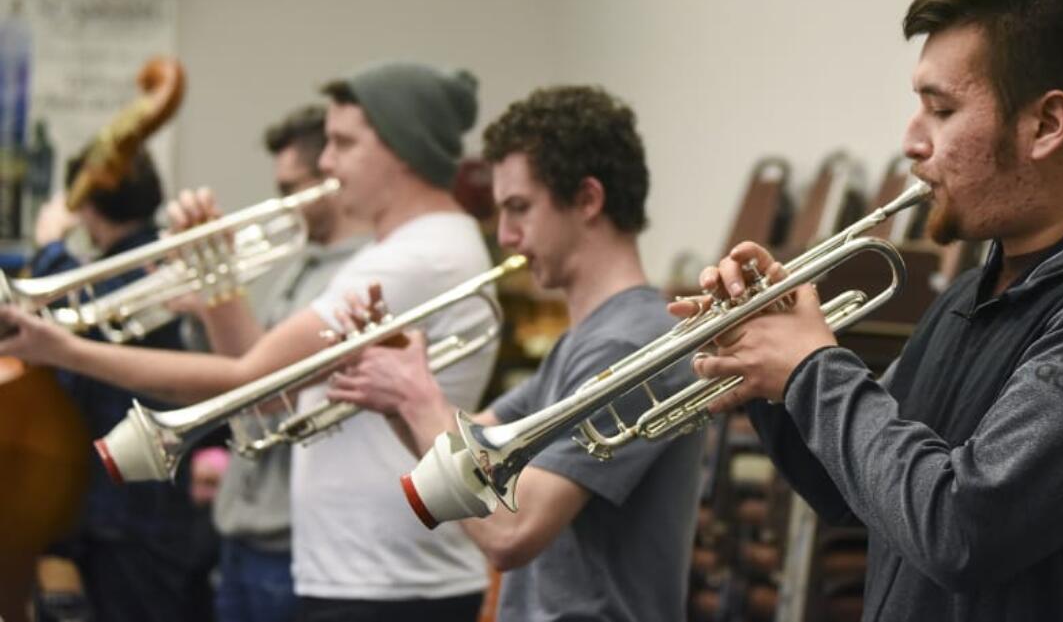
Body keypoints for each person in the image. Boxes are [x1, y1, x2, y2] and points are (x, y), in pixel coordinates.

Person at [680, 0, 1063, 621]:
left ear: (1047, 123)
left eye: (941, 110)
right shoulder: (976, 294)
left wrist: (812, 368)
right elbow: (861, 489)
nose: (912, 141)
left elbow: (962, 527)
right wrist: (766, 365)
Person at [0, 62, 499, 622]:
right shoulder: (397, 250)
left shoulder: (416, 256)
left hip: (390, 579)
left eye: (342, 142)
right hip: (361, 569)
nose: (328, 162)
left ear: (401, 147)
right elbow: (261, 383)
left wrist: (61, 348)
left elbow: (250, 380)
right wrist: (215, 276)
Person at [328, 86, 705, 622]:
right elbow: (467, 453)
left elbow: (511, 531)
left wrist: (416, 396)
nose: (506, 236)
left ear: (588, 200)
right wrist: (391, 389)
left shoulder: (630, 345)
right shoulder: (586, 341)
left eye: (520, 208)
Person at [28, 148, 215, 622]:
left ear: (86, 206)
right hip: (113, 504)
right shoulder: (130, 262)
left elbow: (79, 321)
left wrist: (51, 244)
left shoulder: (145, 265)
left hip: (136, 511)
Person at [198, 105, 366, 622]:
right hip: (242, 531)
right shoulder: (302, 264)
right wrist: (211, 297)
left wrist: (219, 285)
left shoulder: (360, 272)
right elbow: (243, 371)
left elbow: (269, 392)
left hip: (290, 541)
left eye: (292, 188)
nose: (282, 205)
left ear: (330, 180)